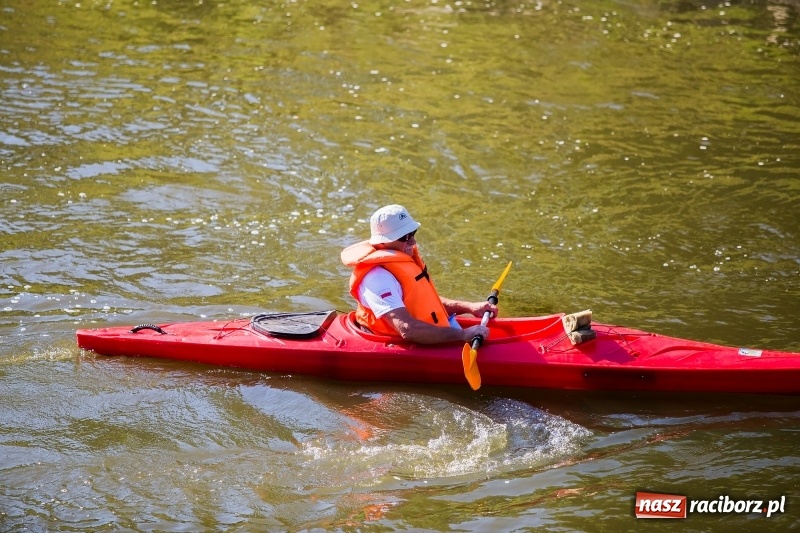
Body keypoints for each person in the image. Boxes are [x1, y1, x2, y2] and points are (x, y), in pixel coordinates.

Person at [341, 204, 496, 344]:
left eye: (412, 233)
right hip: (397, 342)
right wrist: (462, 335)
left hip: (428, 332)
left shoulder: (403, 258)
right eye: (405, 237)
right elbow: (407, 329)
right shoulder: (377, 278)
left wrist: (469, 307)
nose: (413, 242)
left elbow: (424, 302)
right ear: (382, 242)